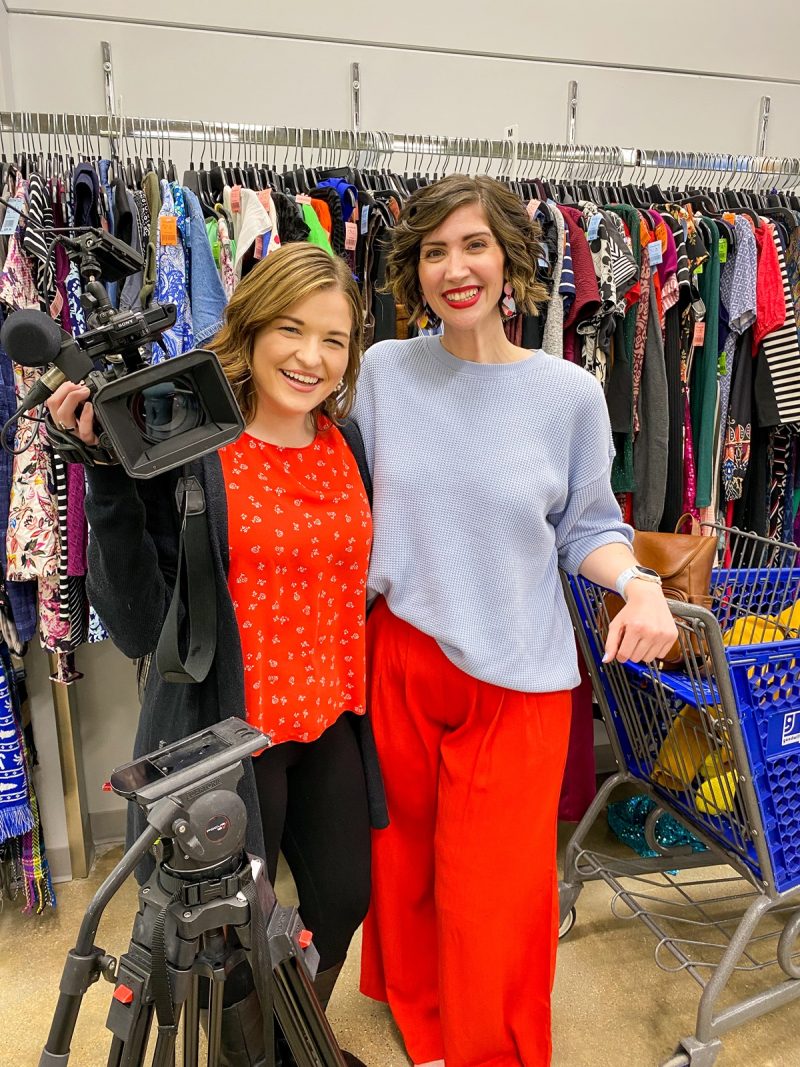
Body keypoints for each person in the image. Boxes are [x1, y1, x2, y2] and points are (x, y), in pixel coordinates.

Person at [352, 174, 678, 1067]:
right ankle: (421, 1021)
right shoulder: (383, 373)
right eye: (434, 251)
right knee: (406, 867)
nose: (455, 268)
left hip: (520, 677)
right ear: (412, 269)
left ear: (511, 260)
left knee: (495, 894)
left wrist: (639, 585)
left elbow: (589, 526)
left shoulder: (567, 393)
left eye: (475, 245)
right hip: (402, 657)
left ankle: (488, 1051)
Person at [45, 242, 382, 1067]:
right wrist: (109, 479)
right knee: (228, 943)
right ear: (252, 328)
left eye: (334, 340)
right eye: (292, 330)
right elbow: (135, 623)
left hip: (327, 713)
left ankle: (294, 1049)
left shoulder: (347, 444)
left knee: (340, 899)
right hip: (225, 729)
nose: (311, 356)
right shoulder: (195, 446)